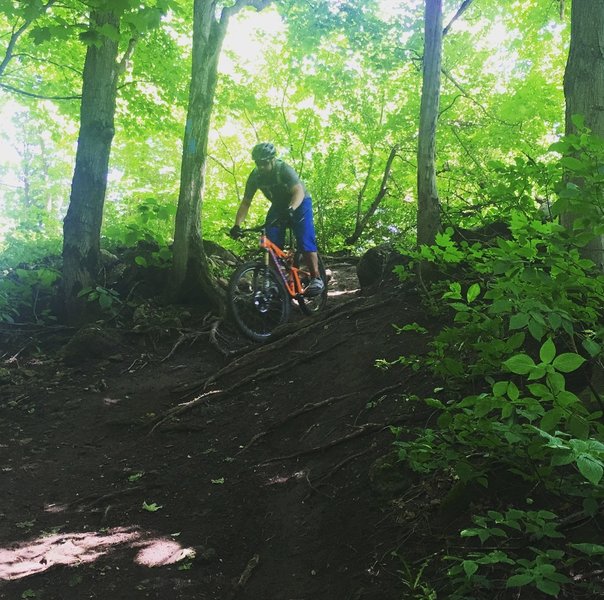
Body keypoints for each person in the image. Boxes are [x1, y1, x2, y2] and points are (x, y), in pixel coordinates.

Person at [229, 142, 324, 296]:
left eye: (265, 163)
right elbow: (246, 202)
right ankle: (276, 283)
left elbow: (298, 191)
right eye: (258, 163)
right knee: (270, 244)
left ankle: (316, 278)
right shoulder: (255, 177)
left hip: (300, 202)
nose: (261, 167)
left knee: (305, 238)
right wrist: (237, 225)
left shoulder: (284, 169)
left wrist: (291, 209)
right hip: (278, 206)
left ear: (273, 160)